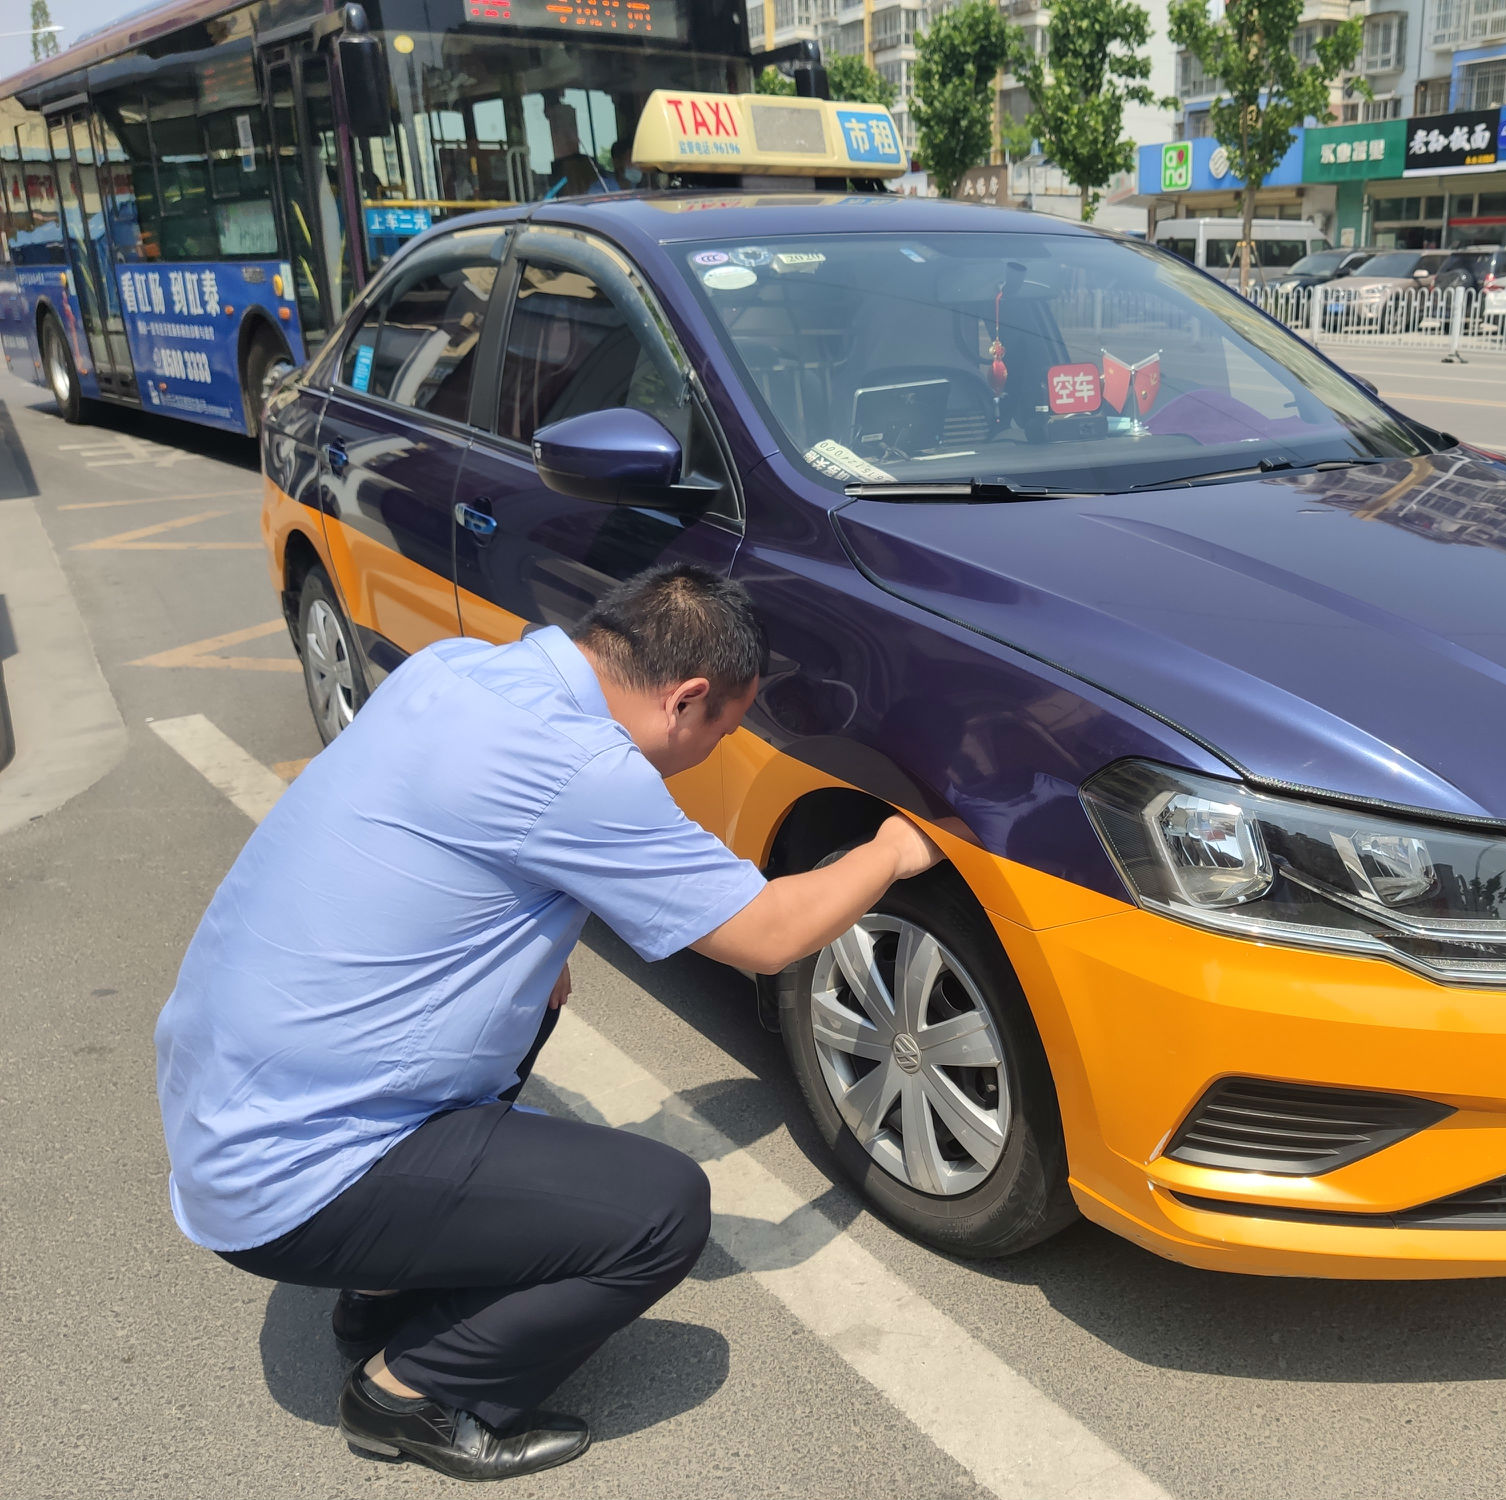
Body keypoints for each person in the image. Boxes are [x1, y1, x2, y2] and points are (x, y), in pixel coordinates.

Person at [154, 565, 941, 1482]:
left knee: (538, 997)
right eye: (723, 731)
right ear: (686, 700)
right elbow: (768, 936)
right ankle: (409, 1395)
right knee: (660, 1212)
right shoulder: (581, 768)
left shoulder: (455, 668)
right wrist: (892, 848)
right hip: (286, 1178)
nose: (715, 750)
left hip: (225, 1105)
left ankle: (379, 1288)